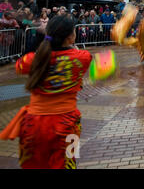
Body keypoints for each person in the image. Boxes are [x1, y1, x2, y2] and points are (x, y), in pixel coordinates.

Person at [0, 16, 92, 169]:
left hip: (33, 125)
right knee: (68, 163)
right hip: (68, 124)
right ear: (71, 37)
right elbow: (85, 57)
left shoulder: (34, 60)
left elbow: (19, 65)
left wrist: (42, 37)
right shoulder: (82, 58)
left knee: (33, 165)